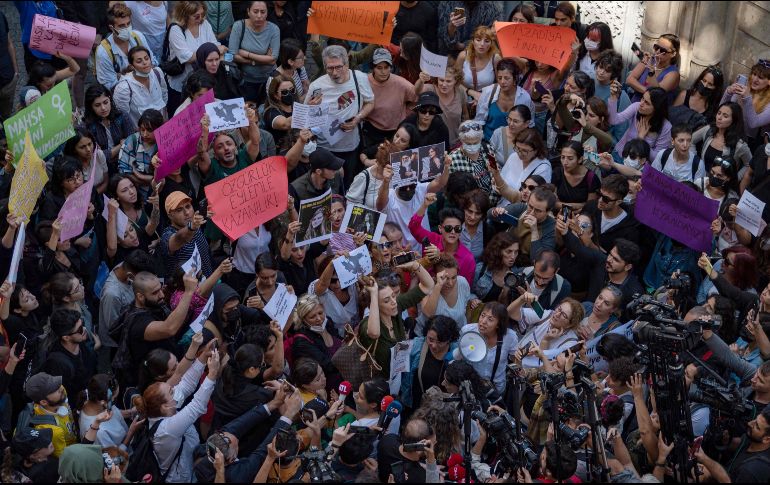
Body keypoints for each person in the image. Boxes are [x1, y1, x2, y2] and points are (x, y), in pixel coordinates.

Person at [134, 346, 222, 482]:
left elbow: (186, 384)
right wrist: (212, 374)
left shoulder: (166, 408)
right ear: (165, 406)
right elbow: (197, 406)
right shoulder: (166, 429)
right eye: (171, 392)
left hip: (189, 464)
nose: (175, 390)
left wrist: (203, 358)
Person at [306, 44, 375, 188]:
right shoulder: (316, 86)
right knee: (328, 186)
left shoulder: (359, 78)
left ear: (347, 64)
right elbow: (305, 118)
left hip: (351, 146)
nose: (335, 72)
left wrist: (358, 118)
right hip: (325, 148)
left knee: (348, 184)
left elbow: (370, 102)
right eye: (330, 68)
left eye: (338, 67)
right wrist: (312, 108)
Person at [358, 260, 434, 378]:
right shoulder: (367, 324)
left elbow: (428, 286)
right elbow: (374, 333)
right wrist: (373, 293)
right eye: (386, 300)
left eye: (393, 296)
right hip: (380, 383)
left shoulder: (395, 307)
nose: (393, 302)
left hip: (401, 376)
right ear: (375, 305)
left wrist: (415, 265)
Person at [166, 1, 223, 115]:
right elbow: (186, 57)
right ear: (185, 15)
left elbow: (215, 45)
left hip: (204, 82)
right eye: (196, 16)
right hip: (182, 82)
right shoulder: (176, 29)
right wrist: (209, 51)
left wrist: (212, 50)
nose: (200, 18)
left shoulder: (204, 24)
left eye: (202, 14)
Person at [362, 49, 418, 159]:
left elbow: (416, 98)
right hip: (371, 131)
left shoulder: (401, 83)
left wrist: (406, 113)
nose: (383, 71)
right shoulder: (364, 81)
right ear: (373, 68)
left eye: (386, 67)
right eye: (379, 68)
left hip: (395, 133)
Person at [409, 196, 476, 284]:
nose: (453, 232)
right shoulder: (432, 239)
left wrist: (439, 256)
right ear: (440, 229)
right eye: (448, 228)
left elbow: (464, 287)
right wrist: (424, 205)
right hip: (424, 289)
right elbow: (414, 227)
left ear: (461, 230)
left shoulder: (468, 259)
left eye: (457, 229)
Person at [458, 302, 518, 394]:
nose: (483, 321)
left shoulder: (510, 337)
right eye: (482, 315)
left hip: (496, 388)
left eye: (490, 319)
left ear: (498, 324)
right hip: (470, 386)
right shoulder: (467, 331)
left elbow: (515, 359)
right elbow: (459, 356)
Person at [401, 316, 458, 410]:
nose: (434, 346)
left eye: (440, 342)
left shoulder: (458, 352)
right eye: (430, 339)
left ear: (449, 340)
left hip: (444, 409)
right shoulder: (416, 346)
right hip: (416, 406)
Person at [95, 3, 156, 91]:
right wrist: (134, 73)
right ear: (112, 28)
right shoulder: (103, 52)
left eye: (128, 23)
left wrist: (122, 75)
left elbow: (153, 63)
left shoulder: (138, 37)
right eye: (122, 26)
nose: (127, 28)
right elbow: (109, 85)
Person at [229, 1, 280, 105]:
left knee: (267, 108)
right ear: (248, 11)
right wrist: (263, 59)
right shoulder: (239, 26)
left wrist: (247, 54)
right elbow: (232, 55)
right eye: (255, 12)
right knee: (249, 110)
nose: (259, 16)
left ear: (267, 13)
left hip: (269, 78)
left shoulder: (274, 29)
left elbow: (273, 59)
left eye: (263, 12)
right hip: (246, 79)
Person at [43, 309, 98, 401]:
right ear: (66, 337)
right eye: (80, 329)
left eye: (83, 324)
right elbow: (62, 394)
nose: (84, 329)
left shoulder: (80, 343)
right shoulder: (57, 363)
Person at [609, 83, 672, 161]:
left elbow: (656, 158)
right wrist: (613, 98)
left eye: (647, 103)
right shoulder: (636, 107)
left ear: (657, 108)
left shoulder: (666, 127)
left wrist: (641, 139)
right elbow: (613, 120)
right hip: (620, 154)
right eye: (642, 98)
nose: (641, 103)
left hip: (639, 165)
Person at [475, 59, 534, 141]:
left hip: (513, 143)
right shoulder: (488, 92)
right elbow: (479, 121)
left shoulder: (524, 97)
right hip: (488, 141)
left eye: (507, 78)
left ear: (515, 79)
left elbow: (529, 124)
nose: (502, 82)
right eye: (499, 78)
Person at [21, 372, 77, 457]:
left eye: (56, 384)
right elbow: (64, 457)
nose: (60, 388)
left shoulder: (61, 392)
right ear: (43, 402)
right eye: (54, 390)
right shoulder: (52, 430)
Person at [581, 174, 641, 252]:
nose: (600, 200)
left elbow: (615, 258)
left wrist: (590, 244)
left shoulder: (630, 230)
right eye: (599, 194)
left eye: (606, 199)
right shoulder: (591, 206)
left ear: (618, 202)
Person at [509, 294, 583, 356]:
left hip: (531, 368)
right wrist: (522, 299)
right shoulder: (547, 315)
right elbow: (511, 313)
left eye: (563, 315)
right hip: (514, 359)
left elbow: (543, 364)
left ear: (570, 325)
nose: (557, 314)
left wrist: (546, 340)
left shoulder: (570, 343)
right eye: (559, 309)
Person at [415, 65, 469, 148]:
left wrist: (465, 134)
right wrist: (421, 80)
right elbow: (417, 91)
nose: (444, 84)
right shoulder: (430, 89)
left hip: (456, 143)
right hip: (434, 145)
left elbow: (465, 115)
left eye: (448, 81)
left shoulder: (460, 91)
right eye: (441, 80)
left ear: (456, 81)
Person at [721, 59, 770, 149]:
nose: (755, 79)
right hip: (728, 132)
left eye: (760, 77)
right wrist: (728, 93)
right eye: (754, 74)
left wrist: (747, 98)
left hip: (747, 143)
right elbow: (722, 110)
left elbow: (753, 124)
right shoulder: (745, 87)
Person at [419, 255, 475, 334]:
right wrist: (438, 285)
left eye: (454, 277)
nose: (450, 283)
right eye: (445, 278)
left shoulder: (462, 282)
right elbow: (429, 314)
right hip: (430, 337)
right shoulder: (427, 285)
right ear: (436, 276)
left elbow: (466, 310)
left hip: (457, 335)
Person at [84, 84, 134, 172]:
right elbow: (99, 156)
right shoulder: (88, 126)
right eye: (97, 105)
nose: (103, 108)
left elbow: (132, 143)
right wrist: (121, 145)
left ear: (110, 100)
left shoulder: (122, 116)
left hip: (127, 162)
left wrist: (111, 152)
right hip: (102, 168)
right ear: (91, 107)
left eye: (105, 102)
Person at [692, 102, 752, 174]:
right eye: (719, 113)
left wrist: (735, 178)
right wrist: (694, 160)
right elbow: (691, 140)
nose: (719, 118)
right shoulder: (708, 130)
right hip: (700, 176)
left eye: (725, 116)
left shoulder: (739, 145)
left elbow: (749, 164)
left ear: (734, 120)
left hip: (721, 181)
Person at [117, 109, 164, 198]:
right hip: (137, 194)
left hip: (161, 193)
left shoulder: (165, 143)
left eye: (150, 130)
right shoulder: (131, 142)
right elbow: (123, 172)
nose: (145, 134)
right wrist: (151, 180)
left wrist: (140, 176)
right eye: (142, 130)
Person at [626, 33, 681, 103]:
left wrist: (650, 70)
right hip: (634, 104)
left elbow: (656, 95)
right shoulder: (649, 59)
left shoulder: (673, 74)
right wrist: (646, 91)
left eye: (663, 50)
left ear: (673, 54)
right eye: (656, 47)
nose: (657, 52)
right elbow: (629, 80)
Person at [552, 141, 600, 212]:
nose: (565, 162)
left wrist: (563, 206)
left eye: (570, 159)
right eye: (563, 157)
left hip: (582, 216)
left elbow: (590, 206)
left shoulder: (591, 178)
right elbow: (552, 202)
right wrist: (577, 206)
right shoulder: (557, 172)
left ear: (580, 159)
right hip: (558, 214)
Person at [473, 232, 520, 304]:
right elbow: (468, 292)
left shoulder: (517, 275)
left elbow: (508, 307)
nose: (513, 256)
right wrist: (473, 299)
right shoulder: (481, 269)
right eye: (509, 251)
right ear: (498, 251)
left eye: (516, 252)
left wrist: (506, 290)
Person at [455, 26, 500, 102]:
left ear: (491, 43)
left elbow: (500, 82)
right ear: (473, 41)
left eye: (487, 41)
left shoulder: (495, 58)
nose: (482, 44)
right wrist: (471, 92)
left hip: (487, 98)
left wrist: (486, 97)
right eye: (478, 40)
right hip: (464, 96)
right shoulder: (463, 56)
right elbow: (455, 80)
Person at [62, 128, 110, 195]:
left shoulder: (98, 155)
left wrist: (93, 195)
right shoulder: (70, 167)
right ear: (74, 150)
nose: (88, 149)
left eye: (90, 144)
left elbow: (106, 182)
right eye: (82, 147)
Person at [489, 104, 531, 169]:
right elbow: (490, 155)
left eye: (515, 121)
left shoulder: (531, 139)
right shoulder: (499, 133)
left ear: (526, 123)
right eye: (509, 119)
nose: (511, 124)